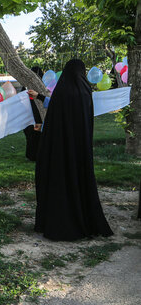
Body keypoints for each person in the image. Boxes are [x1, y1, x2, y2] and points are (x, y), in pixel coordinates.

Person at [32, 59, 113, 241]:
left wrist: (40, 103)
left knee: (61, 182)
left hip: (61, 151)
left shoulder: (62, 92)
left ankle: (58, 221)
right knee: (80, 181)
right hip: (80, 150)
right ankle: (84, 218)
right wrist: (39, 96)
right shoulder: (86, 92)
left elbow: (54, 115)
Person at [22, 66, 45, 161]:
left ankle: (31, 155)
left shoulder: (26, 86)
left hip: (28, 116)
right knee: (37, 135)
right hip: (36, 116)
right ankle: (37, 155)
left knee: (31, 136)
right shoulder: (42, 86)